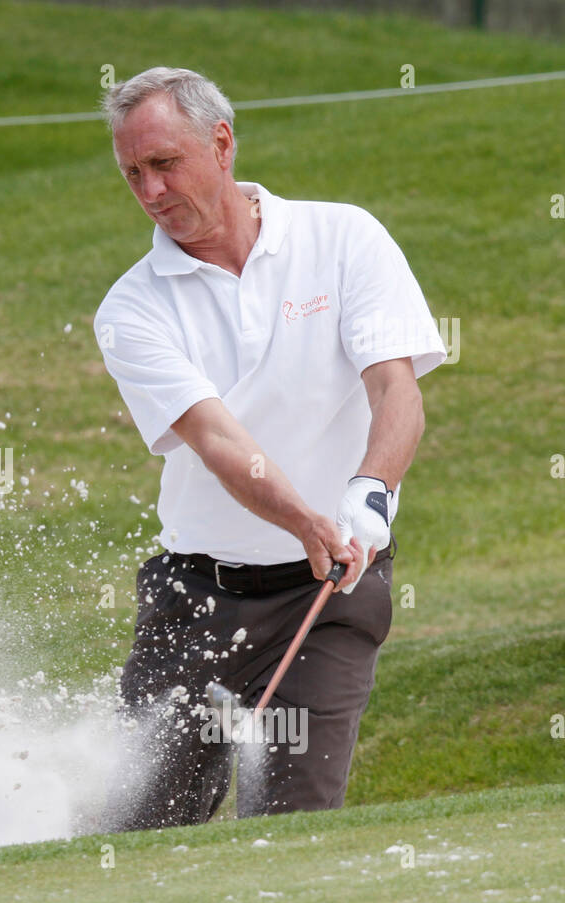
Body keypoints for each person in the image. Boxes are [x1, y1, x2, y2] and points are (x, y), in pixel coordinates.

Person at [92, 67, 446, 829]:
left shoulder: (343, 238)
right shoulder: (132, 306)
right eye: (132, 174)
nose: (150, 192)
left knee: (294, 828)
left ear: (221, 144)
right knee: (139, 830)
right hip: (198, 600)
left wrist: (370, 492)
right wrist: (309, 522)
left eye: (164, 165)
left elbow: (397, 391)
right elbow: (220, 442)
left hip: (329, 598)